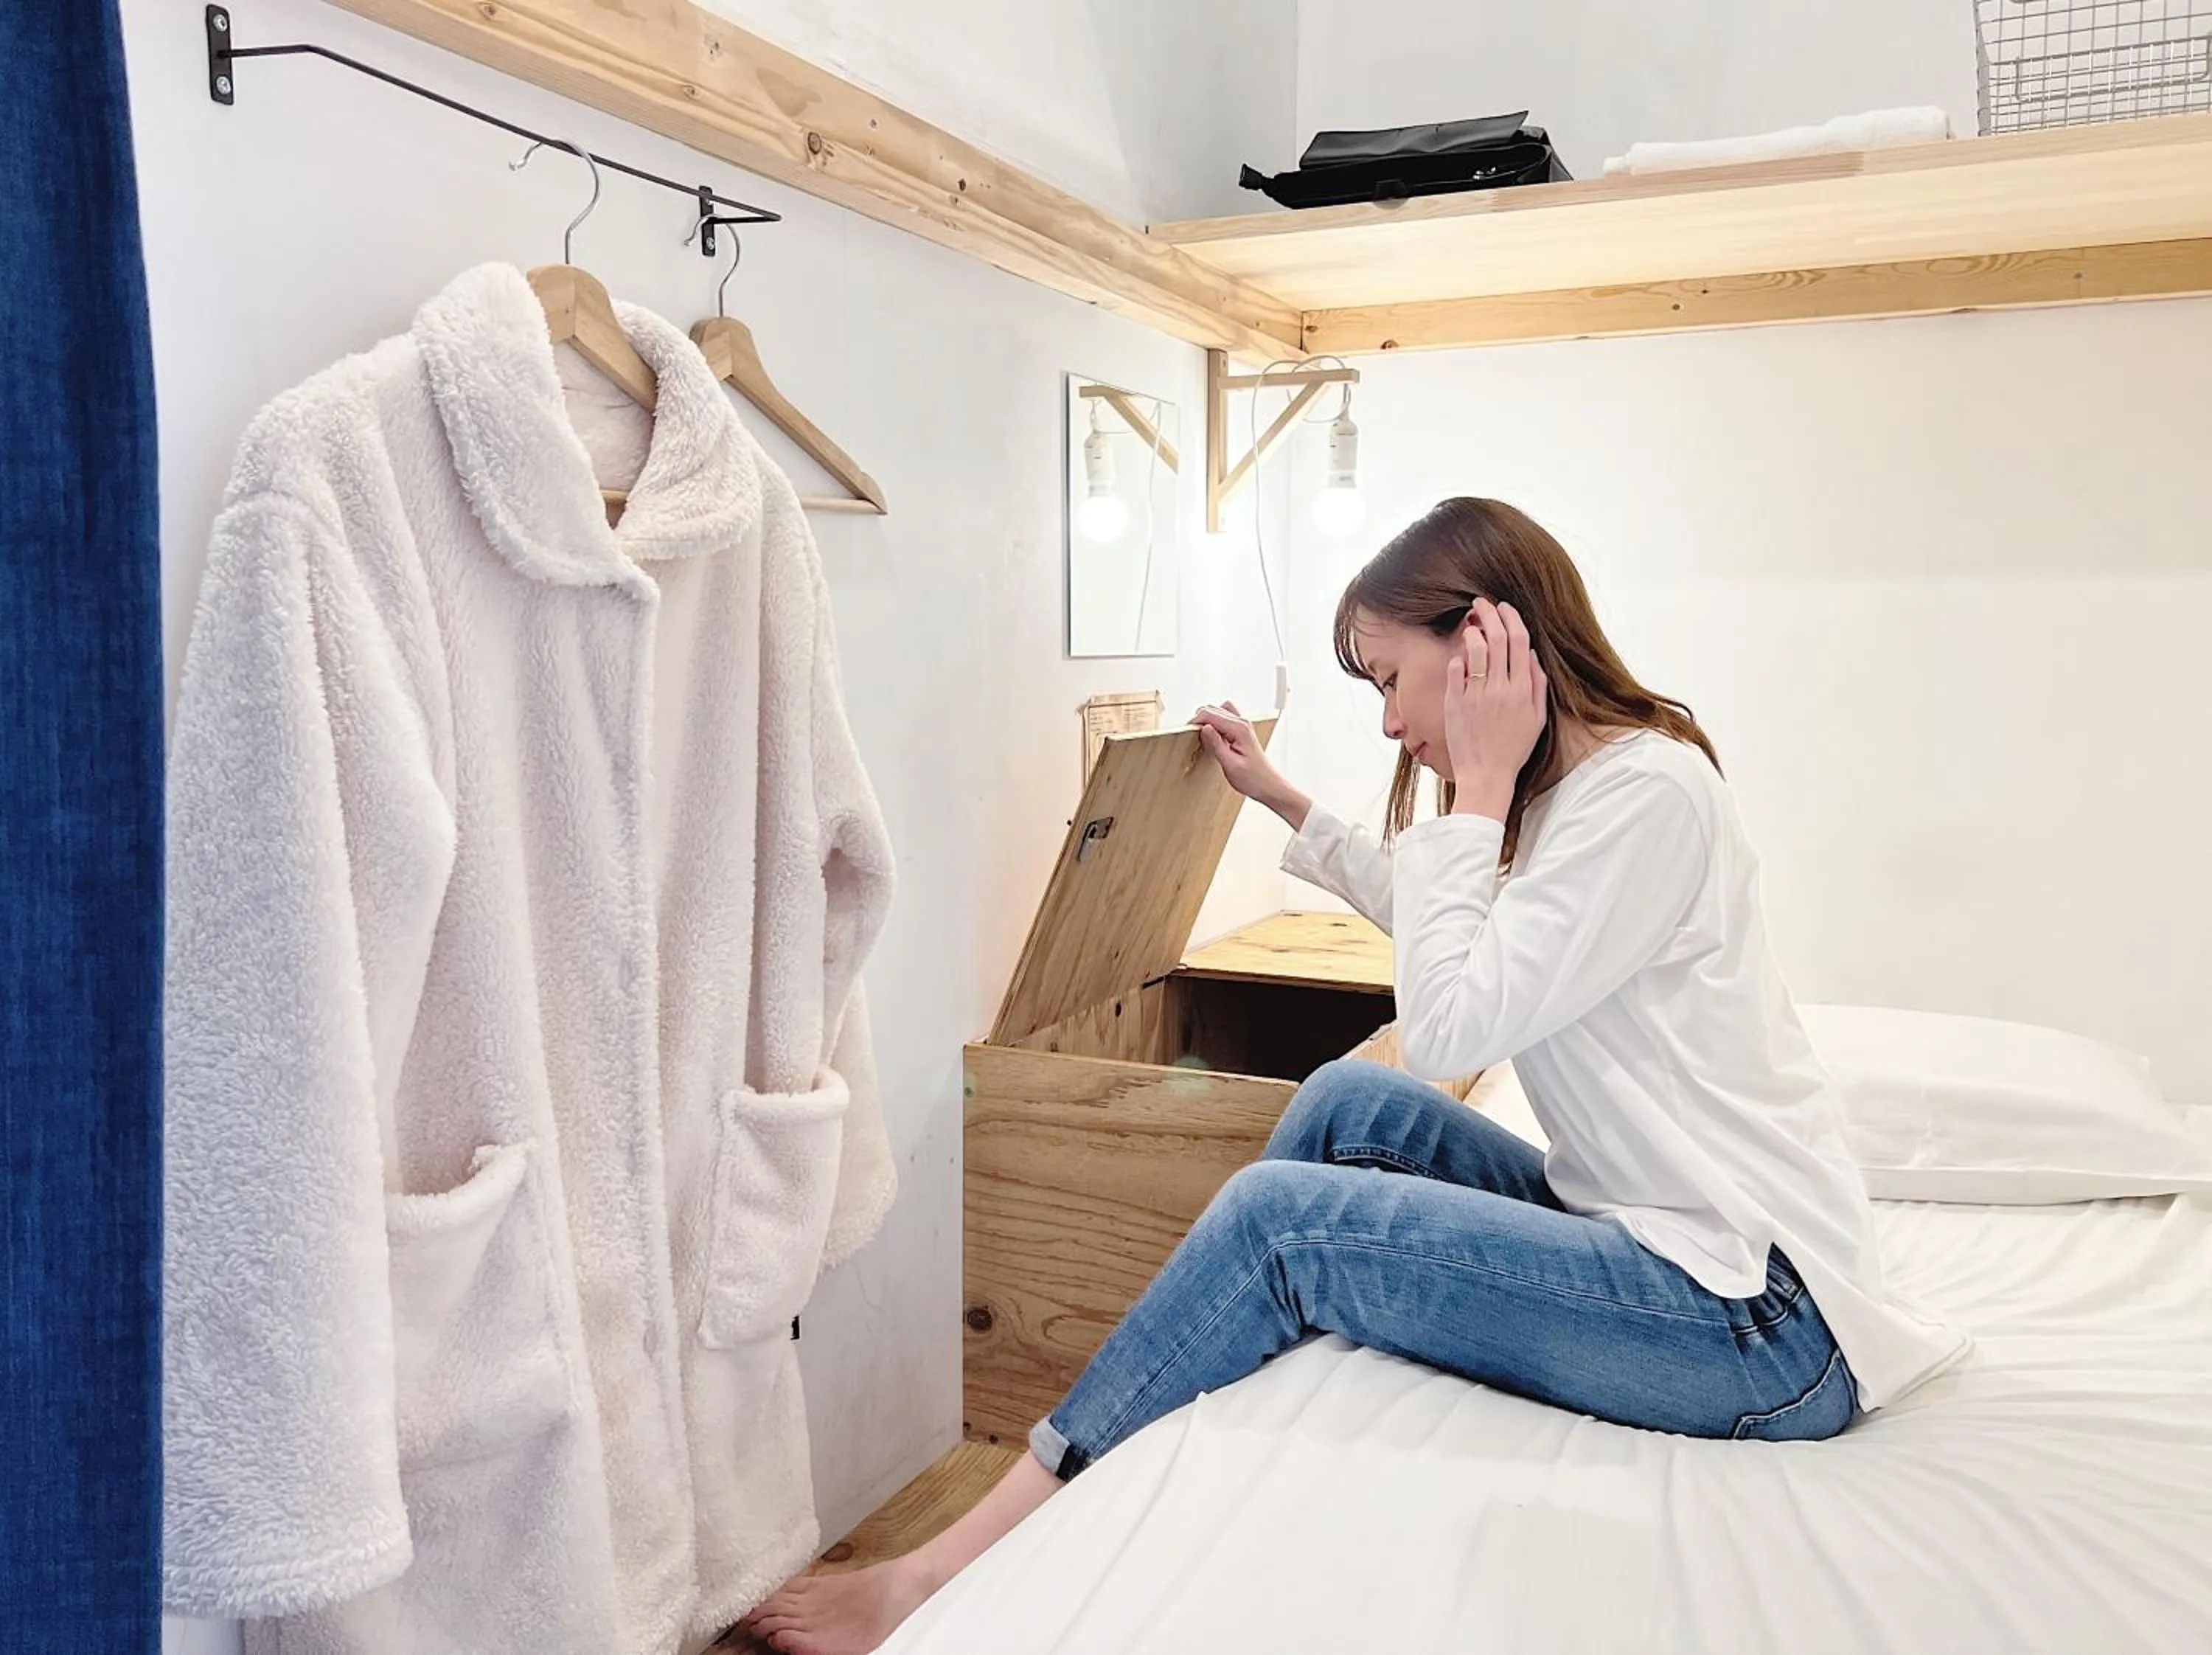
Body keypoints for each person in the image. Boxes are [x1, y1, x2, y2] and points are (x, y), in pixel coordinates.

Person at [740, 497, 1965, 1655]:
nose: (1388, 720)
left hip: (1755, 1320)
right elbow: (1448, 919)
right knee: (1344, 1105)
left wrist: (1478, 784)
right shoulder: (1584, 797)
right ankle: (1215, 1401)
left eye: (1388, 679)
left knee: (1285, 1223)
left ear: (1487, 641)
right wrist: (1279, 798)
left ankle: (951, 1558)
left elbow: (1449, 1021)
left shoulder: (1645, 799)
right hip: (1667, 1237)